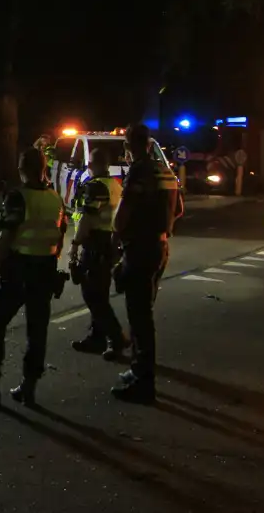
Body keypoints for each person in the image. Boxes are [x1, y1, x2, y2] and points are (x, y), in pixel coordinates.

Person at [0, 148, 65, 407]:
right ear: (44, 168)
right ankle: (28, 388)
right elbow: (59, 238)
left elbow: (4, 237)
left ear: (21, 168)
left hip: (18, 272)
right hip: (44, 272)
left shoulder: (17, 197)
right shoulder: (55, 198)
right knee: (37, 332)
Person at [110, 123, 180, 404]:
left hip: (140, 249)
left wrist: (117, 237)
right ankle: (138, 369)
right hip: (160, 246)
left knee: (139, 317)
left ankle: (143, 382)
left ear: (129, 145)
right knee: (142, 312)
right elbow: (179, 209)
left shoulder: (139, 171)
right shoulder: (165, 170)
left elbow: (123, 213)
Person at [68, 148, 129, 360]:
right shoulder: (115, 185)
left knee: (92, 294)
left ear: (92, 164)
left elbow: (88, 218)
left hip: (95, 243)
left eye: (89, 163)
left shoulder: (95, 187)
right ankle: (97, 338)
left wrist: (75, 244)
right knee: (100, 292)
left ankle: (116, 337)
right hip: (110, 243)